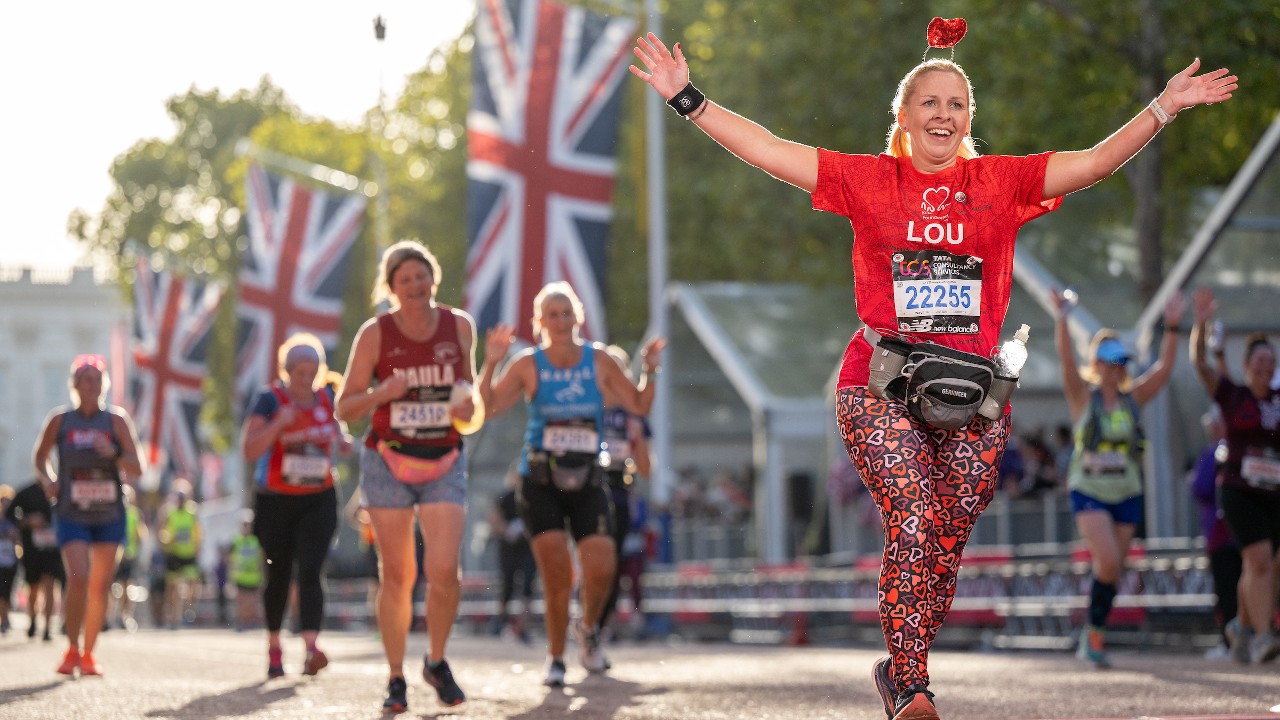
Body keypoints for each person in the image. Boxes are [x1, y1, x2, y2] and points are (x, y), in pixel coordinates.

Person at [630, 20, 1235, 720]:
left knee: (945, 542)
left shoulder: (1002, 182)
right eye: (929, 103)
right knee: (913, 518)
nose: (943, 113)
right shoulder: (868, 180)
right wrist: (689, 99)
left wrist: (1163, 107)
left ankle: (902, 657)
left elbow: (1096, 162)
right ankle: (911, 684)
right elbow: (768, 149)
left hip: (974, 394)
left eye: (955, 104)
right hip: (878, 382)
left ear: (967, 119)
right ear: (905, 118)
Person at [478, 281, 664, 687]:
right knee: (557, 574)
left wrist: (650, 370)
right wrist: (491, 363)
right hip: (540, 479)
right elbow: (487, 409)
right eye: (553, 314)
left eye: (568, 313)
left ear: (578, 317)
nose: (561, 321)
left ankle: (590, 630)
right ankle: (556, 656)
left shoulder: (598, 361)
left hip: (588, 476)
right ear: (540, 322)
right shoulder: (528, 363)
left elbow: (638, 405)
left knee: (601, 565)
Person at [334, 240, 481, 712]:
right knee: (397, 574)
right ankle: (395, 677)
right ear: (392, 289)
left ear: (433, 278)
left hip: (443, 460)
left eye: (422, 276)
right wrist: (384, 393)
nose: (415, 286)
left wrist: (467, 405)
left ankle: (435, 661)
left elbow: (471, 405)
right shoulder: (375, 334)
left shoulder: (459, 326)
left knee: (444, 573)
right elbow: (345, 407)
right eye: (405, 280)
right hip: (388, 461)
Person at [1054, 288, 1185, 668]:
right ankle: (1092, 635)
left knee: (1113, 568)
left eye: (1120, 361)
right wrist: (1062, 317)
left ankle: (1093, 633)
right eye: (1109, 360)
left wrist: (1174, 326)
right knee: (1108, 559)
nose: (1115, 368)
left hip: (1126, 490)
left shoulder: (1132, 399)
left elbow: (1162, 371)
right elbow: (1065, 363)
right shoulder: (1083, 397)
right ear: (1097, 362)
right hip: (1089, 488)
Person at [241, 332, 352, 678]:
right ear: (287, 371)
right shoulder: (268, 400)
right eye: (299, 373)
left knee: (310, 571)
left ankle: (311, 647)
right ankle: (274, 648)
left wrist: (344, 442)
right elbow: (250, 449)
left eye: (312, 372)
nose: (306, 380)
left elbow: (339, 434)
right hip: (276, 501)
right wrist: (279, 425)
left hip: (318, 498)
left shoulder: (328, 397)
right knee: (279, 573)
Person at [32, 353, 145, 676]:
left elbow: (138, 467)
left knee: (99, 585)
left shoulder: (116, 421)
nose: (91, 386)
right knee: (78, 576)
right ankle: (70, 649)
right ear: (75, 385)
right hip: (71, 512)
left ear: (104, 385)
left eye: (97, 380)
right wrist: (49, 480)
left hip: (109, 513)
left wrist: (115, 453)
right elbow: (40, 458)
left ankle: (89, 654)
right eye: (85, 380)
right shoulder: (61, 420)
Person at [1190, 288, 1280, 665]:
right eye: (1258, 361)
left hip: (1273, 495)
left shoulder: (1278, 402)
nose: (1264, 367)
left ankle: (1240, 630)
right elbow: (1200, 365)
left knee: (1263, 566)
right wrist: (1200, 326)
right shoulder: (1233, 395)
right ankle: (1263, 637)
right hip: (1239, 491)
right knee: (1258, 559)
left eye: (1270, 362)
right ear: (1247, 366)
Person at [598, 345, 653, 641]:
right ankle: (586, 620)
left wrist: (637, 437)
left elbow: (646, 469)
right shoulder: (585, 406)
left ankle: (600, 626)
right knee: (588, 560)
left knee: (613, 565)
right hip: (585, 489)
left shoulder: (635, 412)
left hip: (618, 495)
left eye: (618, 369)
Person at [1188, 404, 1240, 659]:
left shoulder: (1214, 452)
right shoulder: (1241, 448)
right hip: (1246, 534)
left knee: (1227, 592)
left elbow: (1200, 488)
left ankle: (1231, 644)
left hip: (1222, 534)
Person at [6, 478, 63, 641]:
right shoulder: (26, 492)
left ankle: (47, 627)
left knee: (50, 585)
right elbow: (10, 515)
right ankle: (32, 620)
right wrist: (28, 521)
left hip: (53, 549)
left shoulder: (61, 490)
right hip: (32, 549)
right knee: (34, 588)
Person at [489, 468, 536, 644]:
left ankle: (523, 627)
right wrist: (508, 530)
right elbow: (495, 519)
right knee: (507, 583)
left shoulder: (533, 498)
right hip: (508, 546)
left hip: (528, 547)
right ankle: (501, 621)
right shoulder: (506, 496)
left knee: (527, 586)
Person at [157, 479, 202, 628]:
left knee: (192, 584)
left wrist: (198, 548)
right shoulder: (169, 513)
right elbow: (161, 533)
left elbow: (199, 533)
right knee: (173, 588)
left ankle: (188, 610)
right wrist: (168, 540)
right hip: (174, 554)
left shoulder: (193, 513)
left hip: (189, 555)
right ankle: (174, 617)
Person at [108, 484, 146, 631]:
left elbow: (141, 534)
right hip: (113, 556)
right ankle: (109, 615)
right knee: (109, 587)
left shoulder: (134, 514)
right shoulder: (112, 513)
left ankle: (125, 615)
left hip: (129, 556)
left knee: (127, 587)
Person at [228, 511, 264, 632]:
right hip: (239, 576)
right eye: (244, 524)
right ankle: (241, 622)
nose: (246, 527)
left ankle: (249, 622)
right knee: (240, 601)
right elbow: (230, 558)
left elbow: (262, 558)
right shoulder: (236, 540)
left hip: (253, 577)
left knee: (251, 602)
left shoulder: (257, 540)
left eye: (248, 524)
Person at [0, 486, 19, 635]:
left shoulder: (14, 520)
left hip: (10, 561)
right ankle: (4, 619)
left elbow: (20, 540)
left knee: (7, 592)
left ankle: (5, 618)